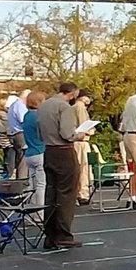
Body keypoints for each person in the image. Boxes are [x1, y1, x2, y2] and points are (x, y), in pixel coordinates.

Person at [39, 82, 87, 249]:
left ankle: (50, 234)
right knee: (66, 194)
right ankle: (63, 234)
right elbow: (67, 134)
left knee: (51, 193)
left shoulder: (44, 106)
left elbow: (40, 132)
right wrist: (80, 135)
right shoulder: (65, 107)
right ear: (73, 94)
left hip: (48, 151)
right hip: (64, 151)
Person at [22, 91, 47, 215]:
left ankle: (31, 213)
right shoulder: (39, 117)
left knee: (32, 186)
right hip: (40, 152)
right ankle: (40, 214)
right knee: (42, 185)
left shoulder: (26, 116)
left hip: (29, 153)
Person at [73, 89, 95, 206]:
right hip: (81, 142)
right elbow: (83, 125)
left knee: (78, 168)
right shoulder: (80, 107)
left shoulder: (73, 107)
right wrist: (91, 130)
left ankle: (78, 193)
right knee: (83, 168)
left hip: (76, 142)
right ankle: (83, 194)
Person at [8, 90, 30, 179]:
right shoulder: (20, 105)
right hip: (20, 133)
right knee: (24, 158)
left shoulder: (14, 105)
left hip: (15, 133)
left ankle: (21, 179)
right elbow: (23, 119)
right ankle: (23, 180)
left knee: (20, 158)